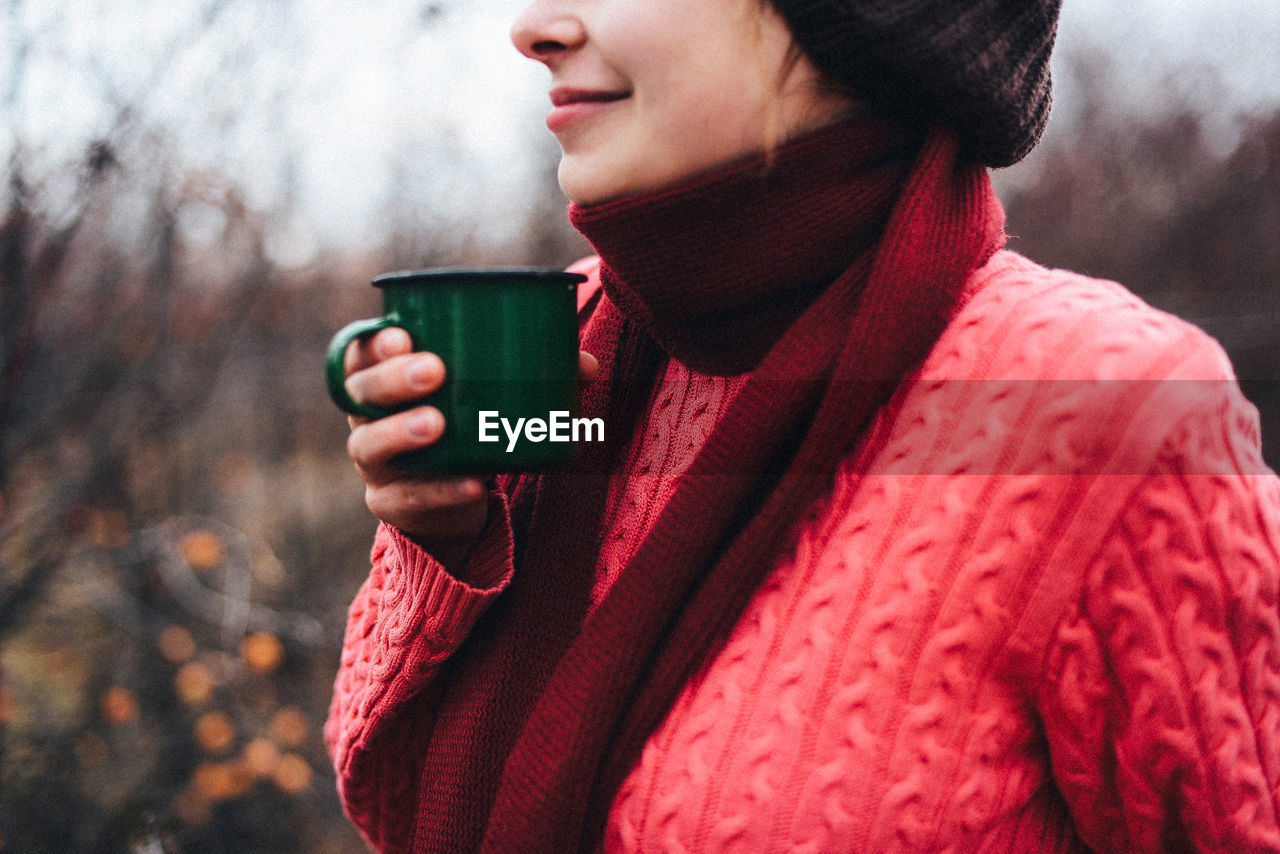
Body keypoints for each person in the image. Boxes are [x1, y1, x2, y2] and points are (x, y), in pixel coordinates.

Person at [325, 0, 1280, 851]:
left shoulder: (1102, 405)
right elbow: (397, 808)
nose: (533, 28)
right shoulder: (564, 346)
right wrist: (449, 542)